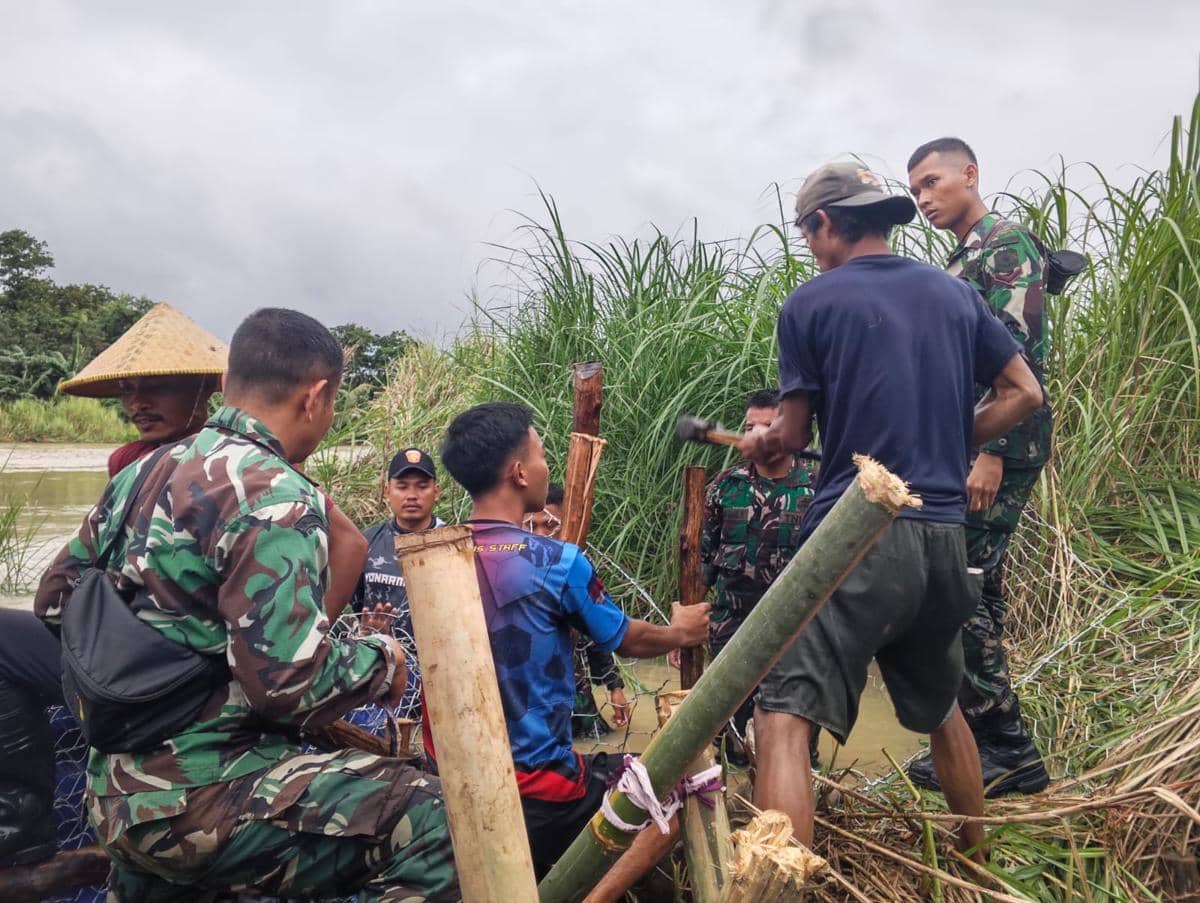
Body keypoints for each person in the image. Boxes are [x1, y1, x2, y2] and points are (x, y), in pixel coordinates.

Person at [35, 308, 458, 902]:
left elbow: (54, 601)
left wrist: (149, 671)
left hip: (113, 798)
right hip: (205, 800)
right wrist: (383, 660)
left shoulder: (144, 470)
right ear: (315, 397)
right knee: (442, 823)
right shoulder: (276, 493)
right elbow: (287, 685)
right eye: (331, 403)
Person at [740, 162, 1043, 858]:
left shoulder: (810, 304)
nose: (810, 248)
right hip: (941, 536)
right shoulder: (953, 293)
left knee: (782, 716)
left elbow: (789, 437)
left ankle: (777, 882)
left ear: (825, 223)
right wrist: (948, 437)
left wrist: (761, 440)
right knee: (943, 710)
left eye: (807, 232)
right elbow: (1025, 391)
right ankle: (978, 861)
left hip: (855, 533)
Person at [437, 401, 710, 880]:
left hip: (450, 784)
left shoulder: (434, 558)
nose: (547, 466)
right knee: (689, 779)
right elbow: (623, 638)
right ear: (520, 472)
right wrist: (682, 632)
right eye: (542, 455)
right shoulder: (555, 560)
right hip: (538, 788)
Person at [907, 138, 1052, 795]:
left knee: (957, 587)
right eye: (915, 193)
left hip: (999, 439)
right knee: (975, 588)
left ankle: (1009, 748)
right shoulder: (961, 257)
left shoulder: (1005, 244)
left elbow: (1012, 354)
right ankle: (975, 741)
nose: (924, 199)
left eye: (933, 183)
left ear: (971, 174)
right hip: (971, 440)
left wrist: (988, 450)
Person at [701, 389, 815, 766]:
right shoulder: (724, 487)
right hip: (730, 629)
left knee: (792, 740)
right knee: (729, 740)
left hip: (794, 632)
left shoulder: (816, 491)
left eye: (768, 427)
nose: (755, 435)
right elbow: (703, 563)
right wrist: (686, 625)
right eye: (750, 427)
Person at [526, 483, 630, 737]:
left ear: (567, 525)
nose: (540, 535)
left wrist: (614, 687)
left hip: (574, 691)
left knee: (591, 743)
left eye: (550, 526)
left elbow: (595, 632)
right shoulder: (511, 569)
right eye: (531, 526)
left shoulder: (576, 567)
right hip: (527, 697)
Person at [351, 447, 447, 716]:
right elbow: (356, 604)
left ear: (436, 491)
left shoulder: (451, 543)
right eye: (402, 486)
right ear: (387, 492)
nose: (412, 495)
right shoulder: (366, 542)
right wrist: (371, 630)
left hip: (438, 673)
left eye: (422, 486)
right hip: (380, 668)